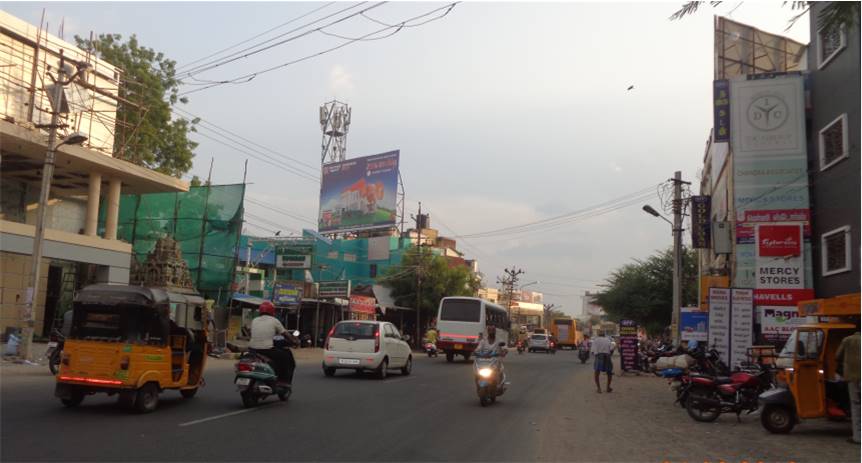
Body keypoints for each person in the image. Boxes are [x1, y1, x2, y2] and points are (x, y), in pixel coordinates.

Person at [249, 301, 297, 386]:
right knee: (286, 356)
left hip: (252, 349)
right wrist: (294, 341)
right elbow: (285, 334)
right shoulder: (274, 321)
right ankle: (284, 381)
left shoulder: (254, 320)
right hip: (266, 350)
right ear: (272, 311)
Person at [836, 330, 860, 444]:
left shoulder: (847, 340)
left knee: (855, 406)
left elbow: (837, 356)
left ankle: (857, 436)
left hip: (852, 376)